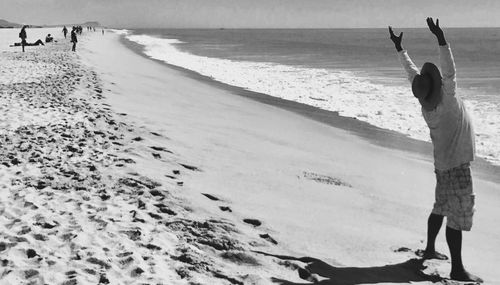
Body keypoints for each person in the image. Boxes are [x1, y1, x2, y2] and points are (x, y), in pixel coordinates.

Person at [389, 18, 481, 283]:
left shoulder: (426, 106)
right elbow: (450, 71)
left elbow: (412, 74)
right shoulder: (449, 101)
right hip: (457, 167)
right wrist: (441, 38)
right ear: (439, 85)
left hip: (442, 165)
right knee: (456, 217)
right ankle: (457, 269)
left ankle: (430, 248)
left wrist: (400, 49)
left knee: (440, 207)